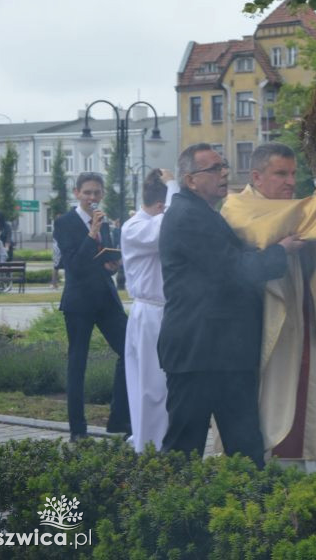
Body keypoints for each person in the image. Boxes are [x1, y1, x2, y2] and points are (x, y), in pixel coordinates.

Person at [220, 142, 316, 473]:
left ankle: (311, 469)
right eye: (280, 174)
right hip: (260, 326)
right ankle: (268, 469)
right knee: (268, 401)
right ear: (256, 176)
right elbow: (266, 231)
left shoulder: (296, 212)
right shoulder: (236, 207)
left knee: (308, 396)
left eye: (293, 174)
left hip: (301, 315)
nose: (289, 182)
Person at [158, 144, 297, 463]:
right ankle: (172, 512)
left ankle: (247, 509)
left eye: (224, 166)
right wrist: (282, 250)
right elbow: (234, 270)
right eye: (214, 169)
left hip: (223, 353)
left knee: (245, 446)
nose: (224, 174)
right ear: (191, 180)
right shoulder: (188, 216)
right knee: (184, 449)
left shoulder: (204, 212)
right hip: (199, 353)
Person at [53, 172, 130, 441]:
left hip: (106, 299)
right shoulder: (64, 222)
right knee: (78, 363)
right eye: (87, 193)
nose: (92, 198)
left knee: (130, 350)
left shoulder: (105, 221)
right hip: (79, 301)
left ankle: (121, 420)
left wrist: (112, 264)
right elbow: (73, 264)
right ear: (76, 193)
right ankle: (78, 429)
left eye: (97, 193)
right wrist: (93, 232)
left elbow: (101, 261)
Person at [120, 169, 177, 452]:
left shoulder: (150, 221)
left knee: (164, 387)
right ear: (160, 207)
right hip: (150, 312)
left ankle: (160, 443)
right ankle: (147, 447)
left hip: (164, 311)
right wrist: (174, 186)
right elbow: (167, 228)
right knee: (150, 387)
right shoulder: (135, 227)